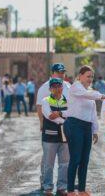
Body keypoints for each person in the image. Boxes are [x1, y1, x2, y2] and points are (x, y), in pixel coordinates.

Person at [64, 65, 105, 196]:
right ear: (80, 76)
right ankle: (70, 190)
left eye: (92, 76)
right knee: (75, 158)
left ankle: (81, 189)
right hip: (74, 125)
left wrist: (95, 130)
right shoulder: (75, 87)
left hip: (86, 127)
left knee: (85, 160)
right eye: (88, 76)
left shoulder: (91, 92)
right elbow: (87, 94)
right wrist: (104, 96)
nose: (90, 79)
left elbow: (93, 114)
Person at [37, 63, 71, 191]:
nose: (57, 88)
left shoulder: (68, 93)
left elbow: (72, 112)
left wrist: (61, 114)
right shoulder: (45, 97)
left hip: (65, 135)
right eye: (54, 86)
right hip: (50, 134)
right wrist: (63, 118)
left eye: (59, 86)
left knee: (64, 163)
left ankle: (62, 187)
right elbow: (48, 114)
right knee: (48, 163)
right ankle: (47, 187)